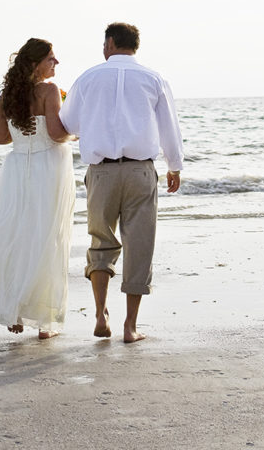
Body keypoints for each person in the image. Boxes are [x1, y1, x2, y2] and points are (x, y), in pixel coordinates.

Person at [59, 22, 184, 343]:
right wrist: (174, 166)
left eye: (104, 44)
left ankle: (101, 314)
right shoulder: (154, 79)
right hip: (141, 171)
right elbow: (169, 126)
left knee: (101, 241)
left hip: (101, 172)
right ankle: (130, 327)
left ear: (111, 43)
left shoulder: (87, 78)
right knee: (140, 245)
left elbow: (68, 124)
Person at [0, 38, 75, 339]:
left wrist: (23, 134)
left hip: (16, 171)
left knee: (15, 237)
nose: (56, 63)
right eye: (51, 58)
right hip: (48, 169)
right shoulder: (50, 91)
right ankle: (45, 322)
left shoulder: (7, 96)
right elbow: (56, 133)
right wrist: (76, 128)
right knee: (46, 238)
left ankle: (15, 313)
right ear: (37, 64)